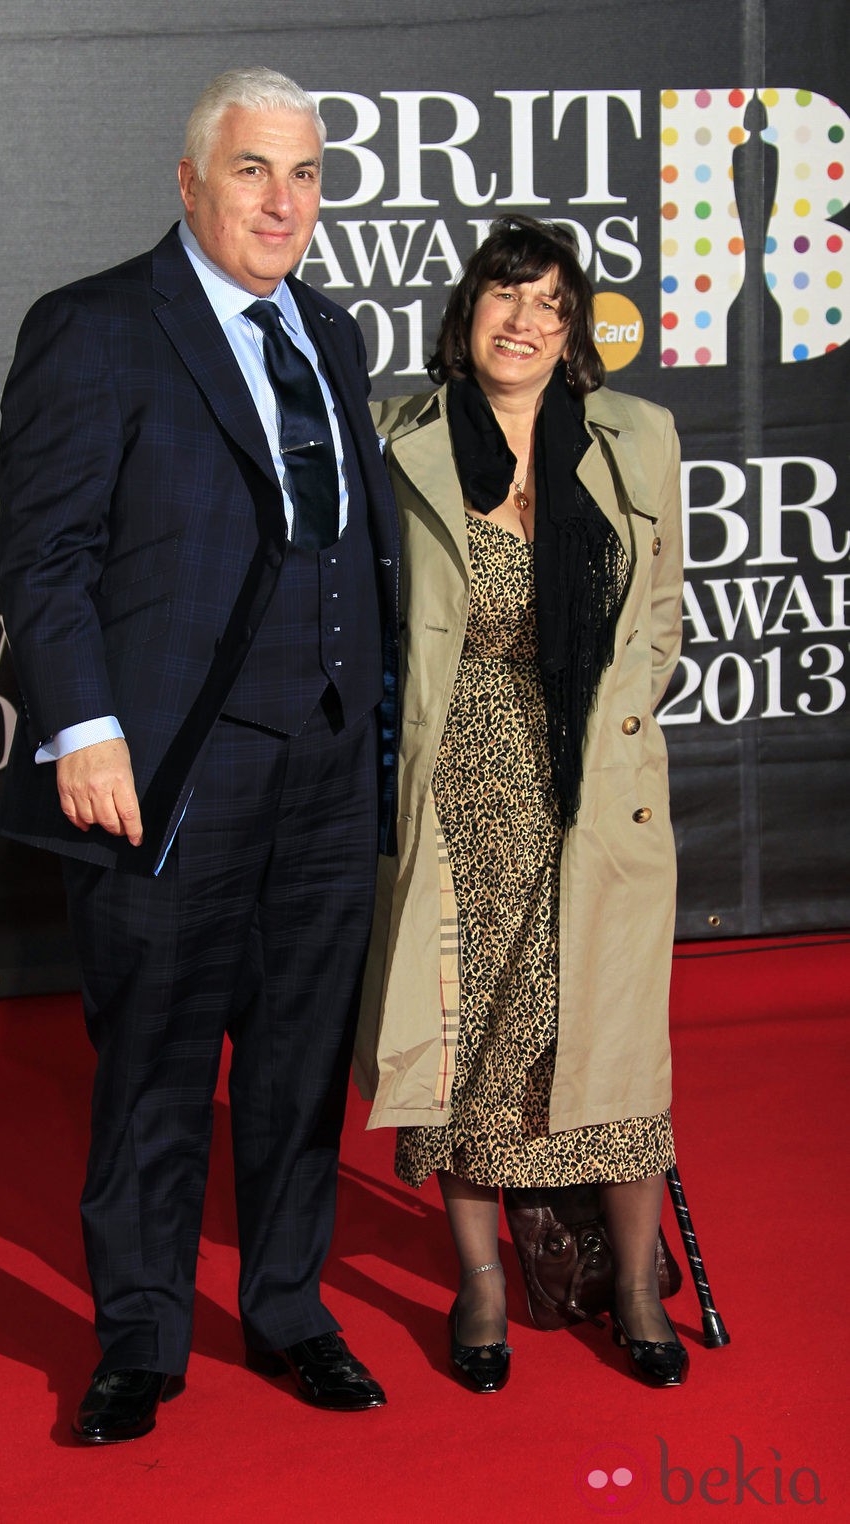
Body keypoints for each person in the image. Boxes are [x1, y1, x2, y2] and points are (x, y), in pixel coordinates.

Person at [0, 67, 399, 1443]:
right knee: (157, 1064)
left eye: (304, 175)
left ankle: (289, 1308)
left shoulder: (334, 333)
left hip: (330, 766)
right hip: (170, 767)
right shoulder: (98, 327)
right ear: (189, 181)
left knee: (297, 1064)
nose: (282, 201)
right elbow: (45, 556)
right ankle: (140, 1337)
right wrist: (86, 728)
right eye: (251, 171)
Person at [355, 215, 687, 1392]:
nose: (525, 320)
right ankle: (481, 1285)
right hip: (459, 793)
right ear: (467, 312)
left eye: (550, 301)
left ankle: (637, 1288)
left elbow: (659, 614)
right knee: (465, 1053)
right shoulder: (400, 438)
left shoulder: (634, 437)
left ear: (572, 327)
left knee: (612, 1049)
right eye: (506, 295)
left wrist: (617, 720)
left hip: (597, 795)